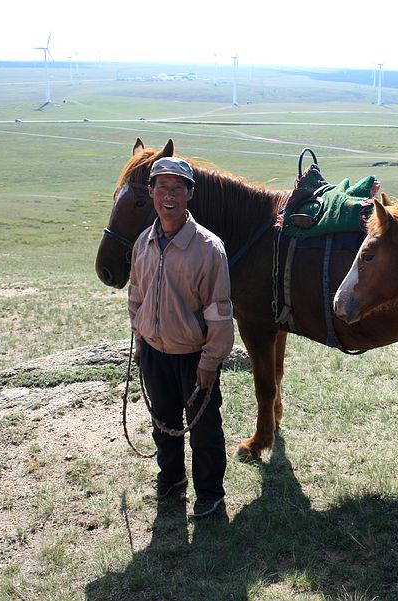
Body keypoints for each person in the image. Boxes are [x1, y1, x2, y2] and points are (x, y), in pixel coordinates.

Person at [128, 156, 234, 518]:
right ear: (151, 192)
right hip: (155, 353)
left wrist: (209, 361)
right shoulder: (143, 242)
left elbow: (219, 312)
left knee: (204, 430)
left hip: (193, 357)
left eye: (177, 188)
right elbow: (136, 296)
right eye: (162, 187)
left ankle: (209, 493)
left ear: (190, 194)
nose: (168, 195)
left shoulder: (208, 248)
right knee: (164, 423)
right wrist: (140, 340)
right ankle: (171, 479)